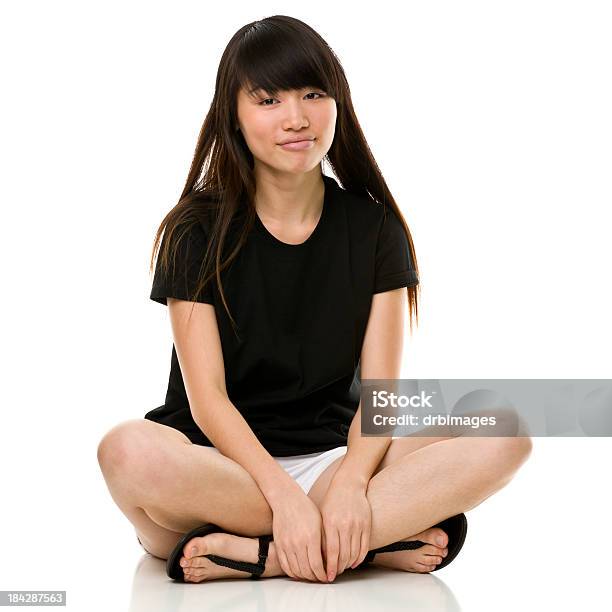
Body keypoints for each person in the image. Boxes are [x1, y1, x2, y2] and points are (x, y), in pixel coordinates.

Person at [97, 15, 532, 584]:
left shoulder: (375, 227)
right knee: (126, 450)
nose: (296, 118)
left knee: (504, 428)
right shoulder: (194, 230)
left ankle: (263, 556)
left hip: (334, 460)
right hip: (218, 471)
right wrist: (283, 497)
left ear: (337, 103)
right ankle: (365, 546)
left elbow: (382, 398)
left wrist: (351, 482)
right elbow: (208, 402)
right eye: (269, 99)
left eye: (312, 94)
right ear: (234, 113)